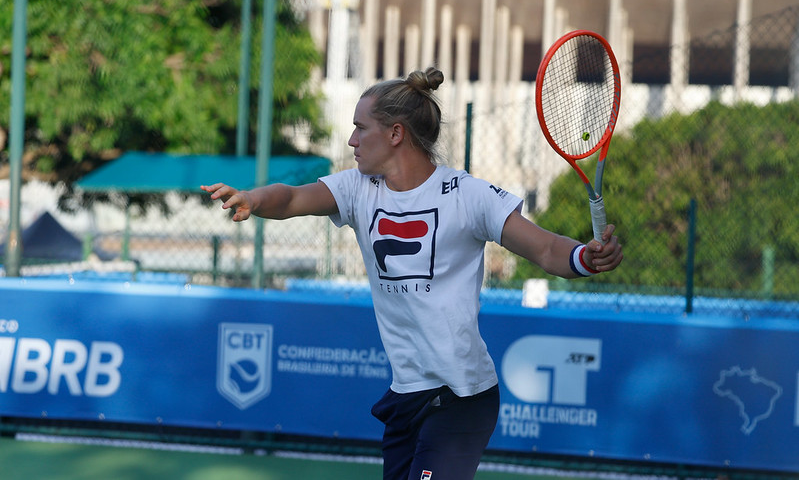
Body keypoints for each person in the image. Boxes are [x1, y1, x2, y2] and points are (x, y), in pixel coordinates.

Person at [202, 67, 623, 480]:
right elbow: (292, 198)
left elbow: (547, 248)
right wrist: (254, 199)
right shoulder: (356, 189)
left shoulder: (467, 196)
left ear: (395, 134)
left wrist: (585, 257)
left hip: (462, 396)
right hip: (407, 396)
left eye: (359, 128)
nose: (351, 140)